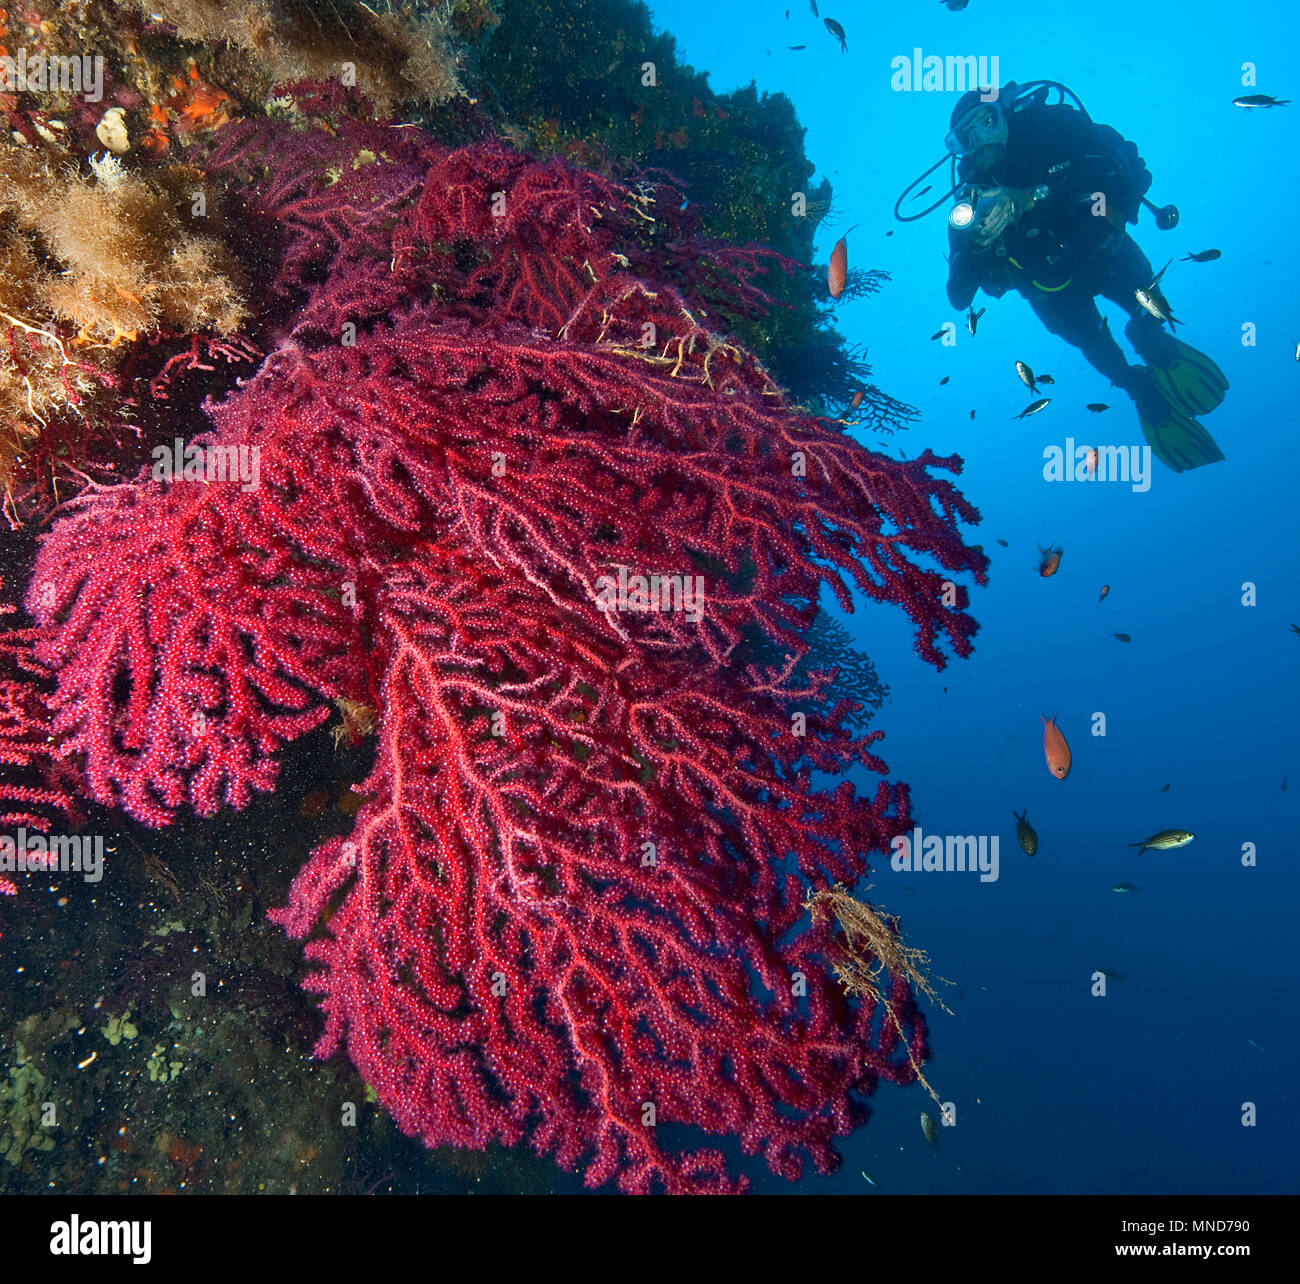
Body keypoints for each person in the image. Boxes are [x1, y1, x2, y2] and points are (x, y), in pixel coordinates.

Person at [944, 83, 1227, 471]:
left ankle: (1153, 341)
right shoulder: (971, 202)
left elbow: (1112, 166)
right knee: (1097, 348)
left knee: (1150, 316)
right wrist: (975, 244)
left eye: (987, 121)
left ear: (1005, 114)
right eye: (967, 136)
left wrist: (1031, 195)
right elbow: (958, 298)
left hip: (1106, 251)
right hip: (1053, 294)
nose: (981, 140)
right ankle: (1137, 387)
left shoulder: (1054, 128)